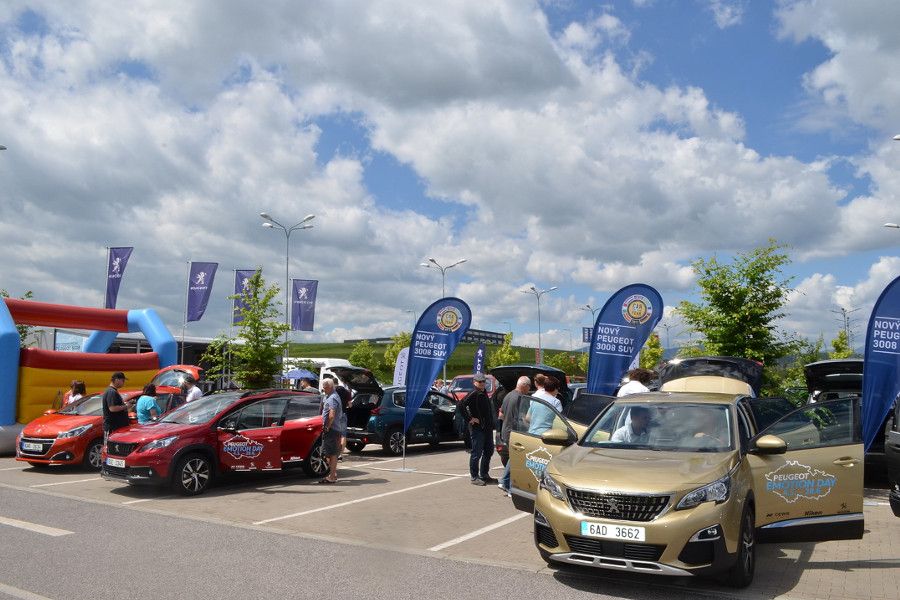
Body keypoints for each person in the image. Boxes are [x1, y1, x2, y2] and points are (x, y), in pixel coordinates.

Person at [461, 372, 496, 486]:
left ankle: (484, 474)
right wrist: (470, 418)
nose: (482, 383)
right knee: (476, 453)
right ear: (474, 382)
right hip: (478, 429)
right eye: (480, 381)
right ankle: (474, 477)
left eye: (483, 381)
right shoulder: (474, 393)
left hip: (487, 428)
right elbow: (461, 405)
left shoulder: (483, 393)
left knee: (489, 451)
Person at [498, 376, 530, 496]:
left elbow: (501, 414)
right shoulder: (519, 398)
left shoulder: (509, 395)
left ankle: (505, 482)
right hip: (513, 432)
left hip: (505, 430)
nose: (529, 389)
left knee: (513, 458)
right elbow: (522, 418)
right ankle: (508, 485)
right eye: (528, 386)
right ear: (524, 385)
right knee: (516, 459)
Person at [319, 379, 343, 484]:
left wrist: (327, 426)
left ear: (330, 387)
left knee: (331, 454)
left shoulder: (333, 398)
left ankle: (332, 476)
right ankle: (333, 474)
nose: (323, 389)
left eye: (325, 387)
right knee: (326, 453)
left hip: (332, 429)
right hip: (332, 429)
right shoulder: (329, 396)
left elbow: (332, 414)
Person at [102, 372, 130, 445]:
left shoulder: (112, 391)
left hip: (117, 427)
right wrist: (126, 406)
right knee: (111, 449)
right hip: (113, 428)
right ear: (117, 380)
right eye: (123, 381)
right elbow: (112, 408)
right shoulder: (111, 392)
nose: (123, 383)